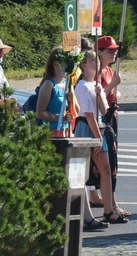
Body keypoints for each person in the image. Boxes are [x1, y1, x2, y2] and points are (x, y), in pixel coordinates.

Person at [35, 47, 106, 230]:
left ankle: (87, 217)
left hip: (68, 134)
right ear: (57, 64)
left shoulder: (66, 84)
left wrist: (69, 103)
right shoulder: (48, 85)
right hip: (53, 136)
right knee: (56, 179)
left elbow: (74, 110)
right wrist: (57, 117)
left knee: (77, 176)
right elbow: (40, 112)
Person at [74, 50, 128, 225]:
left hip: (99, 127)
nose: (96, 63)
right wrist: (98, 138)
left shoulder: (95, 84)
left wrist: (100, 95)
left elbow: (104, 111)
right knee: (81, 173)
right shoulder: (81, 85)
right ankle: (84, 213)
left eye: (97, 61)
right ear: (83, 65)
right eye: (91, 60)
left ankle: (108, 211)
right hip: (87, 127)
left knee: (105, 170)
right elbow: (88, 115)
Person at [94, 36, 129, 217]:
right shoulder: (97, 72)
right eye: (109, 50)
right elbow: (97, 96)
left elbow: (110, 93)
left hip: (111, 117)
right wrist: (112, 87)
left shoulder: (108, 71)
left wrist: (117, 93)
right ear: (99, 52)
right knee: (104, 165)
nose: (114, 52)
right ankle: (108, 203)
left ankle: (113, 203)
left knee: (112, 162)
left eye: (115, 50)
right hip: (102, 118)